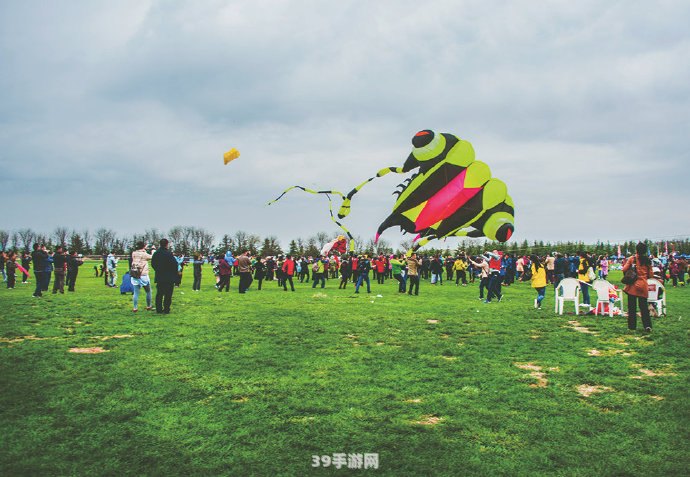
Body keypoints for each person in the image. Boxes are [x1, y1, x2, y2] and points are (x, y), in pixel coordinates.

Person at [623, 242, 654, 332]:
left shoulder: (632, 259)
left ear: (636, 250)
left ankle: (632, 327)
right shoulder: (648, 260)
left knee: (632, 307)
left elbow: (624, 269)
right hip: (643, 285)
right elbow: (651, 275)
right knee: (644, 307)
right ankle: (647, 326)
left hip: (632, 285)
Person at [151, 238, 178, 314]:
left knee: (159, 294)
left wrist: (158, 270)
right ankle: (166, 309)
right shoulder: (169, 254)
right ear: (167, 244)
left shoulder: (156, 253)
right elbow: (174, 264)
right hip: (169, 277)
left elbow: (153, 264)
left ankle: (159, 309)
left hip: (160, 276)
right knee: (168, 294)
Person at [130, 241, 153, 312]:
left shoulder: (133, 253)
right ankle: (149, 306)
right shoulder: (144, 254)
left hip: (135, 274)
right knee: (148, 291)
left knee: (136, 292)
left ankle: (135, 307)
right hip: (143, 274)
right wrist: (153, 251)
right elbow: (152, 257)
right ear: (143, 246)